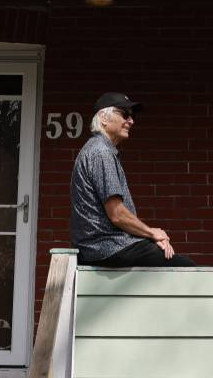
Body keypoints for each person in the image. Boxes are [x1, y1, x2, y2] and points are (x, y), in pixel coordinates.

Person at [70, 91, 196, 267]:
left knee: (163, 255)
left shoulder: (98, 149)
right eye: (124, 114)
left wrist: (149, 238)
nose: (131, 121)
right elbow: (117, 215)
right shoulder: (101, 152)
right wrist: (152, 233)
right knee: (185, 266)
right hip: (105, 247)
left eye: (132, 115)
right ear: (103, 118)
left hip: (103, 246)